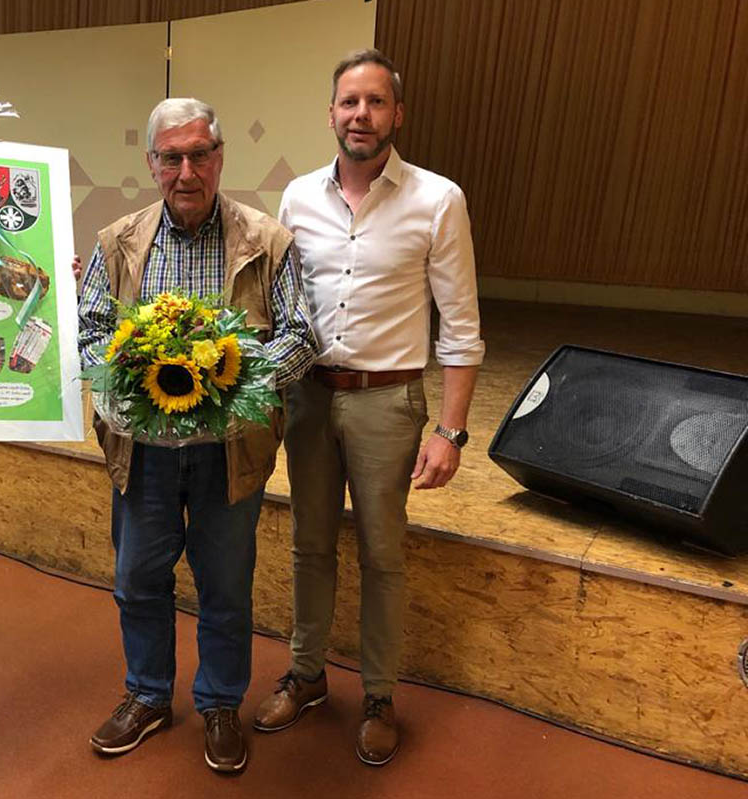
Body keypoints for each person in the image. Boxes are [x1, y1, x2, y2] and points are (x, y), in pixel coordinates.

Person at [252, 49, 485, 766]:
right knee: (309, 544)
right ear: (331, 113)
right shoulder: (297, 197)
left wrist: (450, 431)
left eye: (376, 102)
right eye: (349, 102)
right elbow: (276, 304)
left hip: (388, 402)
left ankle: (379, 695)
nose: (361, 115)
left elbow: (461, 326)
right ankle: (307, 674)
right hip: (309, 397)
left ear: (397, 114)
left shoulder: (438, 199)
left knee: (383, 554)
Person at [78, 98, 317, 773]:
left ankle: (218, 703)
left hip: (229, 452)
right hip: (144, 454)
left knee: (225, 586)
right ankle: (148, 694)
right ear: (152, 163)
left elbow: (301, 335)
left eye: (199, 155)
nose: (187, 171)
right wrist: (127, 382)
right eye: (172, 157)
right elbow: (89, 330)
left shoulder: (268, 242)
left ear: (219, 157)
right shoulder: (117, 241)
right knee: (137, 580)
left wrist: (232, 387)